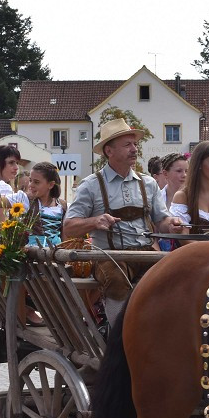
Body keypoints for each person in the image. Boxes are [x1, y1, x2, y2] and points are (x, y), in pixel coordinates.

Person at [63, 118, 184, 324]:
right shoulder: (91, 185)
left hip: (146, 252)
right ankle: (119, 340)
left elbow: (161, 221)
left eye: (135, 144)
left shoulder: (148, 183)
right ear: (109, 151)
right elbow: (69, 226)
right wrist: (94, 221)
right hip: (109, 256)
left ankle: (161, 335)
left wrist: (171, 223)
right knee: (116, 281)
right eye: (127, 145)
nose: (134, 149)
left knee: (174, 276)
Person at [27, 162, 65, 247]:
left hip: (55, 253)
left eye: (36, 182)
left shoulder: (62, 206)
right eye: (30, 180)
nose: (31, 185)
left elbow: (64, 235)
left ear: (51, 184)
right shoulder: (26, 200)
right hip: (33, 253)